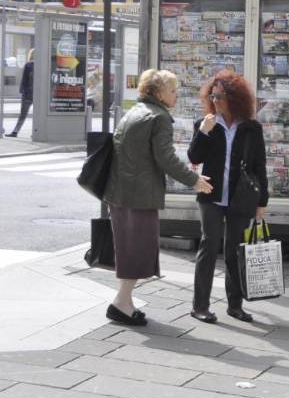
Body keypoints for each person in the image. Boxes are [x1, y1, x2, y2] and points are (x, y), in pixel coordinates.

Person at [103, 69, 213, 326]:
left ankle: (125, 302)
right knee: (138, 250)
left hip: (121, 191)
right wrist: (194, 180)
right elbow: (166, 158)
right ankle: (121, 303)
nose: (176, 95)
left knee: (129, 249)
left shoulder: (135, 111)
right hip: (139, 196)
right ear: (159, 93)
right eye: (172, 91)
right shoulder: (159, 117)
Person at [187, 70, 269, 324]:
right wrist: (203, 131)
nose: (215, 101)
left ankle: (235, 305)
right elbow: (194, 157)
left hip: (240, 197)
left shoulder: (251, 128)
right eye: (212, 96)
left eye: (220, 97)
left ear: (234, 98)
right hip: (210, 196)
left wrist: (262, 202)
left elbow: (259, 166)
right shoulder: (206, 123)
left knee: (235, 250)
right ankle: (200, 306)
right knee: (209, 246)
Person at [5, 49, 34, 138]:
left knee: (22, 115)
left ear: (30, 55)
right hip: (37, 94)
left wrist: (22, 91)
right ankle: (36, 132)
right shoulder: (41, 66)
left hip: (27, 94)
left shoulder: (28, 65)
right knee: (37, 115)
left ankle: (15, 132)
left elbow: (24, 80)